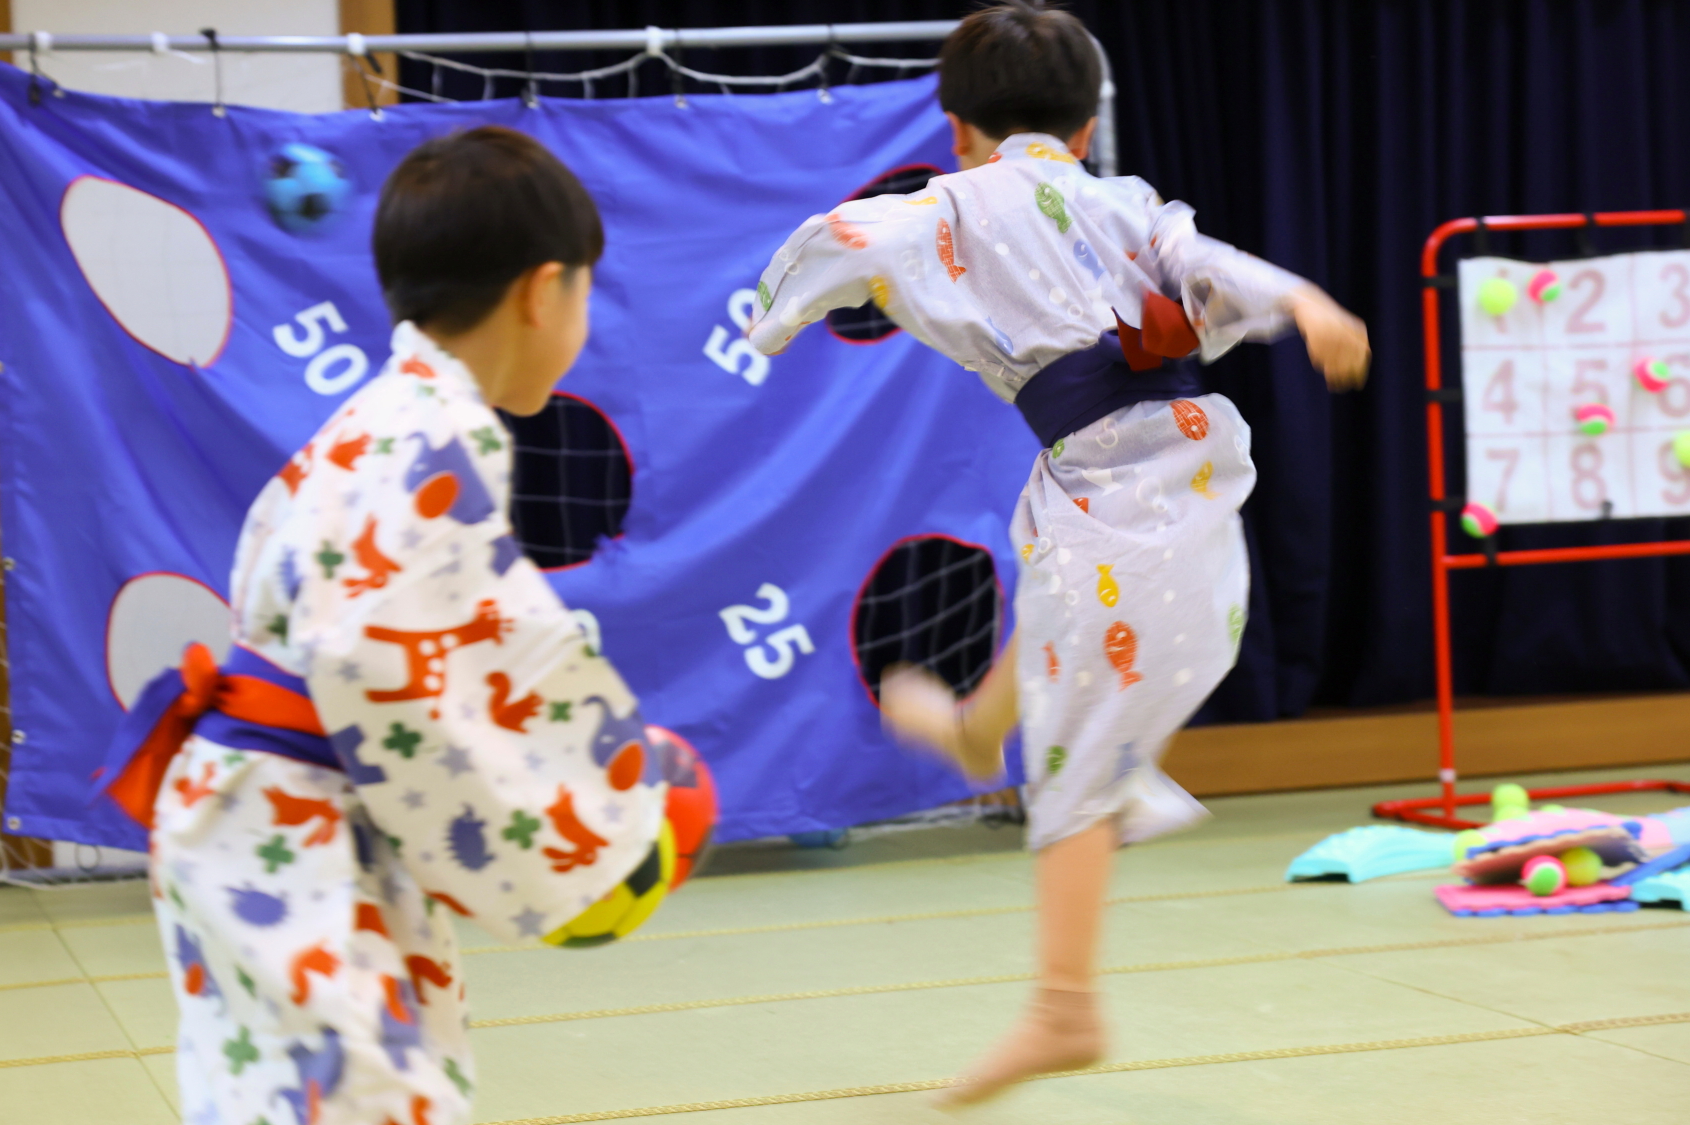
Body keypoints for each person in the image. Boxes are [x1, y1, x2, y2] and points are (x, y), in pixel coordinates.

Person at [747, 1, 1370, 1106]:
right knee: (1076, 678)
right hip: (1155, 476)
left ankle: (1053, 979)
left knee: (1080, 739)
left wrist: (772, 315)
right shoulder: (1123, 203)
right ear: (1085, 127)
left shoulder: (941, 205)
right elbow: (1204, 261)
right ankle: (989, 773)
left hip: (1122, 491)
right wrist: (1304, 305)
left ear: (957, 126)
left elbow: (841, 239)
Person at [98, 126, 702, 1125]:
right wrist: (600, 810)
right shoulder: (437, 436)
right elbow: (405, 664)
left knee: (293, 1093)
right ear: (542, 290)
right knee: (361, 1097)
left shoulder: (385, 414)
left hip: (262, 803)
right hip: (289, 813)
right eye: (586, 295)